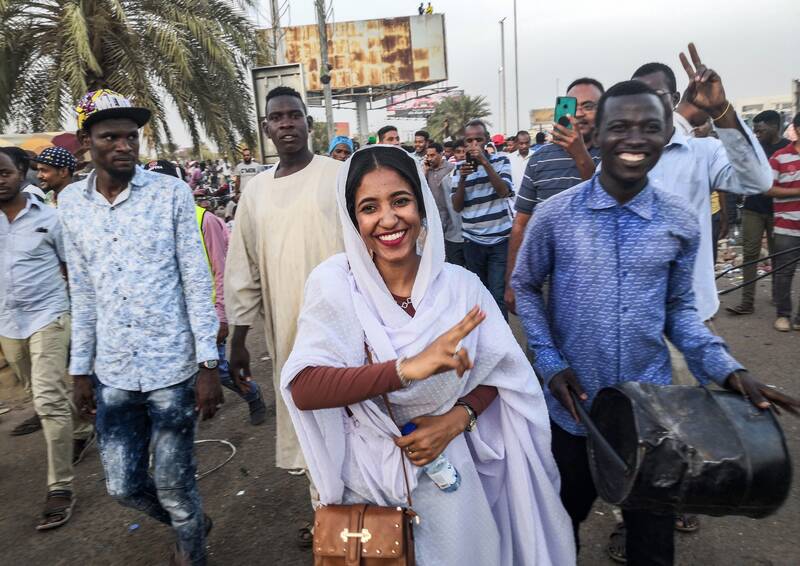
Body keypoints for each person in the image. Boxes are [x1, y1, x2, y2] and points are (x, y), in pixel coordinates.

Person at [511, 79, 800, 566]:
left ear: (667, 132)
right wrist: (549, 360)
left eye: (649, 127)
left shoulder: (679, 220)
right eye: (619, 127)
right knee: (559, 529)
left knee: (652, 543)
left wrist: (730, 371)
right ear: (596, 134)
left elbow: (680, 314)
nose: (634, 138)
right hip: (574, 410)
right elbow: (524, 286)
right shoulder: (557, 216)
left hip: (651, 416)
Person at [280, 144, 575, 565]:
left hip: (450, 475)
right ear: (352, 219)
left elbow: (504, 370)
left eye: (400, 201)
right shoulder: (335, 284)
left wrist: (459, 418)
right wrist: (403, 370)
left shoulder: (461, 287)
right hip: (367, 482)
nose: (388, 219)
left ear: (421, 206)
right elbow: (304, 386)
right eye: (369, 207)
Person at [61, 90, 222, 566]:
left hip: (171, 371)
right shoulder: (70, 203)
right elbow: (84, 292)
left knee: (175, 484)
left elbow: (196, 280)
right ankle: (188, 519)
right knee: (123, 486)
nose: (124, 145)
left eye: (131, 137)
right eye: (111, 136)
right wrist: (79, 369)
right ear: (87, 142)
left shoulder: (169, 193)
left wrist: (207, 363)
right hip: (112, 373)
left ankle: (191, 550)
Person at [224, 86, 344, 546]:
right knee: (309, 424)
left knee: (360, 417)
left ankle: (372, 514)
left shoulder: (339, 174)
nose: (288, 123)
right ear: (266, 128)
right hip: (289, 333)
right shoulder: (254, 193)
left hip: (349, 325)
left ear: (308, 124)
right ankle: (328, 518)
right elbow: (244, 269)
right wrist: (238, 340)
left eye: (296, 115)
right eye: (279, 117)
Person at [631, 46, 773, 326]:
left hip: (692, 316)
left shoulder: (704, 152)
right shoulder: (617, 161)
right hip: (636, 318)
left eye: (654, 96)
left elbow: (758, 180)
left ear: (673, 99)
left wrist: (721, 109)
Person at [0, 147, 95, 531]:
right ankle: (82, 430)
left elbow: (73, 266)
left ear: (20, 172)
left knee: (49, 398)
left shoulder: (49, 218)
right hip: (8, 321)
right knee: (35, 391)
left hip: (49, 315)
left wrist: (82, 316)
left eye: (4, 172)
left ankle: (60, 487)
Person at [145, 160, 268, 422]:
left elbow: (222, 269)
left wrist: (222, 315)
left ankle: (252, 394)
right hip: (173, 318)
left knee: (219, 369)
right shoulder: (152, 225)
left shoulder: (204, 220)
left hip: (207, 313)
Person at [505, 77, 604, 314]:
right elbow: (521, 223)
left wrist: (580, 155)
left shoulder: (616, 155)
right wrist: (511, 281)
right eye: (573, 105)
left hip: (599, 279)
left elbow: (605, 206)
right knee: (543, 347)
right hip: (546, 277)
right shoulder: (540, 159)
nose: (579, 113)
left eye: (589, 106)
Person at [726, 110, 791, 315]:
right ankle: (747, 302)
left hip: (778, 211)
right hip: (752, 209)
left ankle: (778, 299)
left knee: (777, 256)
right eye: (754, 128)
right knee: (750, 255)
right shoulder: (754, 148)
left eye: (759, 127)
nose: (756, 132)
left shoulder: (787, 150)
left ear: (774, 126)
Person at [451, 120, 514, 318]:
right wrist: (462, 179)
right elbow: (457, 206)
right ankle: (484, 339)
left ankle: (503, 341)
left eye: (479, 139)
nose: (474, 144)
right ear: (465, 144)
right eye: (470, 140)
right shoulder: (459, 169)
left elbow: (504, 191)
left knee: (497, 294)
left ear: (486, 140)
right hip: (472, 241)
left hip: (499, 240)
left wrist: (485, 164)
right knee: (479, 293)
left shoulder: (501, 161)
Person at [766, 112, 800, 332]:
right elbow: (768, 189)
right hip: (786, 225)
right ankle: (783, 314)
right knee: (784, 272)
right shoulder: (779, 157)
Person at [424, 142, 463, 266]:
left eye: (433, 155)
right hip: (436, 217)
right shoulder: (427, 171)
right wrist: (424, 172)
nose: (430, 158)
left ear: (441, 154)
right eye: (428, 156)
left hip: (453, 216)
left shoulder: (451, 169)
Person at [509, 130, 533, 195]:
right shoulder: (509, 158)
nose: (524, 146)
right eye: (521, 143)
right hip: (514, 200)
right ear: (516, 143)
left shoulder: (536, 156)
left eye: (527, 143)